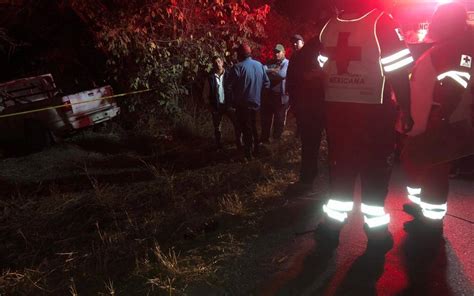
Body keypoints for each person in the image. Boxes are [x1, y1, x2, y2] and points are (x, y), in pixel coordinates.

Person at [317, 0, 414, 249]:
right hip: (374, 115)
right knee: (375, 173)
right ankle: (377, 236)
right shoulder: (382, 22)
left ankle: (330, 230)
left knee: (341, 172)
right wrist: (406, 108)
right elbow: (400, 72)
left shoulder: (329, 26)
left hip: (337, 114)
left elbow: (321, 70)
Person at [402, 2, 474, 238]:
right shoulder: (450, 46)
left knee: (435, 173)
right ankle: (424, 211)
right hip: (434, 119)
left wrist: (440, 117)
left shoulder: (453, 48)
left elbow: (455, 84)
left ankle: (431, 224)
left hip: (439, 120)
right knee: (422, 166)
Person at [286, 35, 326, 193]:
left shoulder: (304, 54)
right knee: (312, 144)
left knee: (309, 145)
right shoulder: (303, 55)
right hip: (317, 106)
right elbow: (293, 81)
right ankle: (311, 179)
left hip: (312, 107)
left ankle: (308, 179)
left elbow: (292, 82)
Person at [229, 43, 270, 159]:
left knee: (245, 128)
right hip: (256, 103)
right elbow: (267, 83)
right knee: (253, 126)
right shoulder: (259, 65)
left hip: (242, 104)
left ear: (241, 54)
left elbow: (228, 85)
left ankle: (248, 154)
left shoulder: (237, 67)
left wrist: (231, 100)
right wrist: (260, 95)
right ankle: (256, 150)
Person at [202, 55, 242, 150]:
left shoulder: (229, 75)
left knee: (237, 124)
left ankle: (239, 143)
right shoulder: (210, 78)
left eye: (219, 61)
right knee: (217, 128)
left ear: (222, 62)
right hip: (217, 106)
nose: (217, 64)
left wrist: (235, 103)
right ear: (213, 64)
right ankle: (219, 145)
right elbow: (205, 93)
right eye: (215, 62)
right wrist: (209, 106)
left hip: (229, 105)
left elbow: (236, 89)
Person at [261, 44, 289, 142]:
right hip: (269, 95)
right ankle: (265, 138)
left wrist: (269, 73)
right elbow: (262, 70)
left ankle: (276, 139)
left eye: (278, 52)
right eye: (275, 52)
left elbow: (282, 75)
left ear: (283, 52)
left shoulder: (286, 63)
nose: (276, 54)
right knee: (267, 118)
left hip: (281, 97)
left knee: (279, 119)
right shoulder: (271, 62)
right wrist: (272, 70)